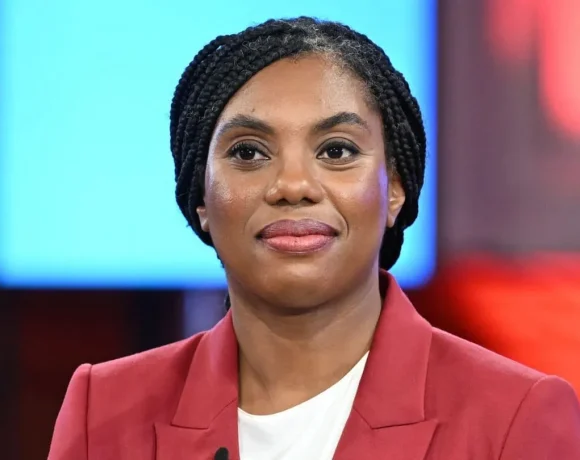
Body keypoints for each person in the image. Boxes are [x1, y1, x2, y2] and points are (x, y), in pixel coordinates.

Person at [48, 17, 580, 460]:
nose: (293, 186)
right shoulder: (104, 409)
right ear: (200, 198)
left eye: (337, 150)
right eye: (249, 153)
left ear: (395, 188)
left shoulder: (517, 416)